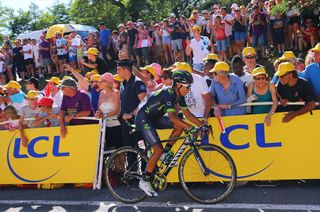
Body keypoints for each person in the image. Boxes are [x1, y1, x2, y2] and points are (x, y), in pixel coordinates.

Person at [136, 70, 203, 197]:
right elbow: (172, 117)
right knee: (158, 150)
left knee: (180, 126)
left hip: (153, 117)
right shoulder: (169, 93)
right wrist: (191, 128)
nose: (189, 89)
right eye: (187, 86)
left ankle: (166, 152)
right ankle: (144, 180)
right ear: (178, 85)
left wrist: (201, 125)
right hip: (143, 118)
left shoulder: (179, 96)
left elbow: (188, 114)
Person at [117, 59, 147, 148]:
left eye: (119, 69)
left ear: (126, 70)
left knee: (142, 150)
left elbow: (144, 102)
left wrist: (131, 114)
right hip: (126, 123)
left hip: (137, 122)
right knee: (129, 152)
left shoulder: (137, 82)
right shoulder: (123, 84)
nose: (117, 72)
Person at [95, 72, 123, 150]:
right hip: (105, 126)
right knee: (111, 151)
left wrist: (104, 116)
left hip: (116, 124)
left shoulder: (116, 93)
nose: (98, 83)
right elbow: (99, 109)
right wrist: (98, 113)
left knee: (119, 151)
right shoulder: (101, 93)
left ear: (107, 82)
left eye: (100, 81)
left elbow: (117, 110)